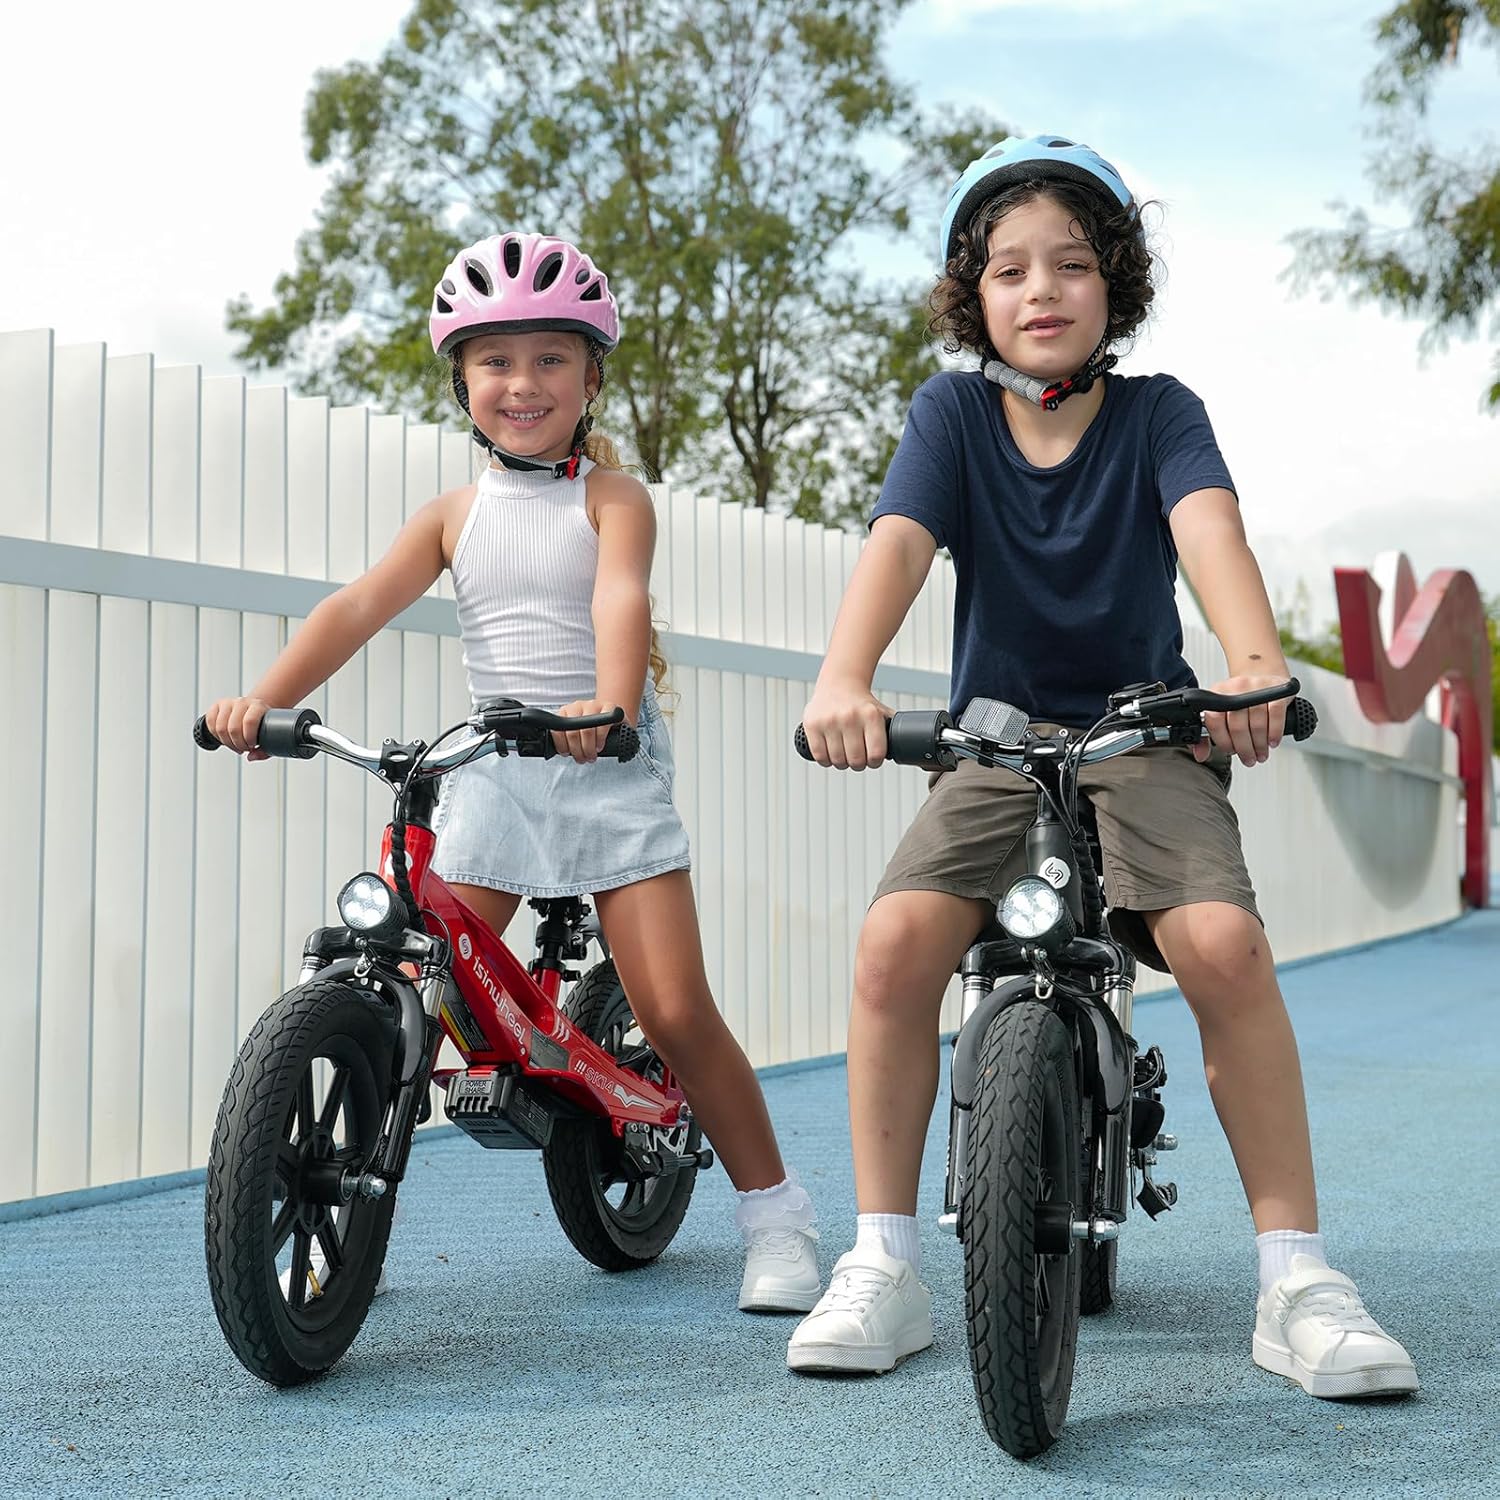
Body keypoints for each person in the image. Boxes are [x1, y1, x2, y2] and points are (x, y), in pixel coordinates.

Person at [787, 136, 1417, 1398]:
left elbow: (1209, 532)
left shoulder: (1158, 413)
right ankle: (885, 1260)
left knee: (1225, 949)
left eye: (1072, 265)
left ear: (1112, 286)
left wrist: (1248, 663)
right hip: (996, 740)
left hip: (1146, 734)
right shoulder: (953, 415)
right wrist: (843, 679)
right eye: (1010, 269)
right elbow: (900, 544)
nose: (1042, 291)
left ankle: (1297, 1278)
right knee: (895, 947)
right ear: (975, 295)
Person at [202, 231, 820, 1313]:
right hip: (492, 760)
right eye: (496, 361)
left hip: (602, 756)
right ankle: (350, 1209)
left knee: (674, 1009)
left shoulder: (611, 497)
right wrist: (269, 699)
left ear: (590, 378)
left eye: (549, 359)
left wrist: (610, 707)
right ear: (461, 380)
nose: (522, 383)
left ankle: (778, 1216)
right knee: (409, 957)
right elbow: (357, 605)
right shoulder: (453, 514)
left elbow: (617, 597)